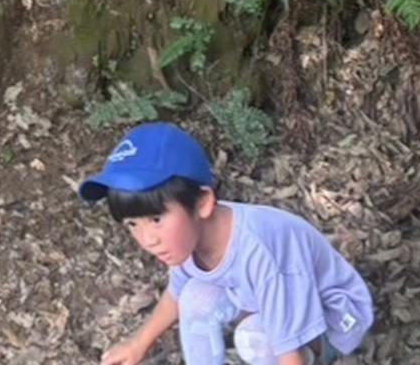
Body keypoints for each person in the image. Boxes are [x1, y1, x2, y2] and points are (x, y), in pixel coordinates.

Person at [83, 123, 374, 364]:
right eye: (133, 224)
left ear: (204, 203)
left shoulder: (260, 250)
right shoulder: (187, 237)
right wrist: (138, 344)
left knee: (253, 338)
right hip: (262, 299)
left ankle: (318, 356)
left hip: (329, 319)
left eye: (156, 219)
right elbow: (177, 293)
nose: (147, 239)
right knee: (195, 297)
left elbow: (289, 352)